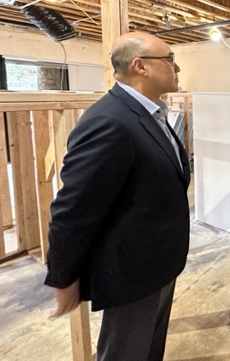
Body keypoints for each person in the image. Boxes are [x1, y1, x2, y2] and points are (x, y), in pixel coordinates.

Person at [44, 31, 191, 361]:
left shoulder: (151, 113)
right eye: (169, 59)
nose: (177, 67)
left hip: (160, 262)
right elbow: (74, 208)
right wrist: (64, 276)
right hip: (133, 269)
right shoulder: (110, 120)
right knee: (125, 353)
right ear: (141, 66)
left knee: (151, 349)